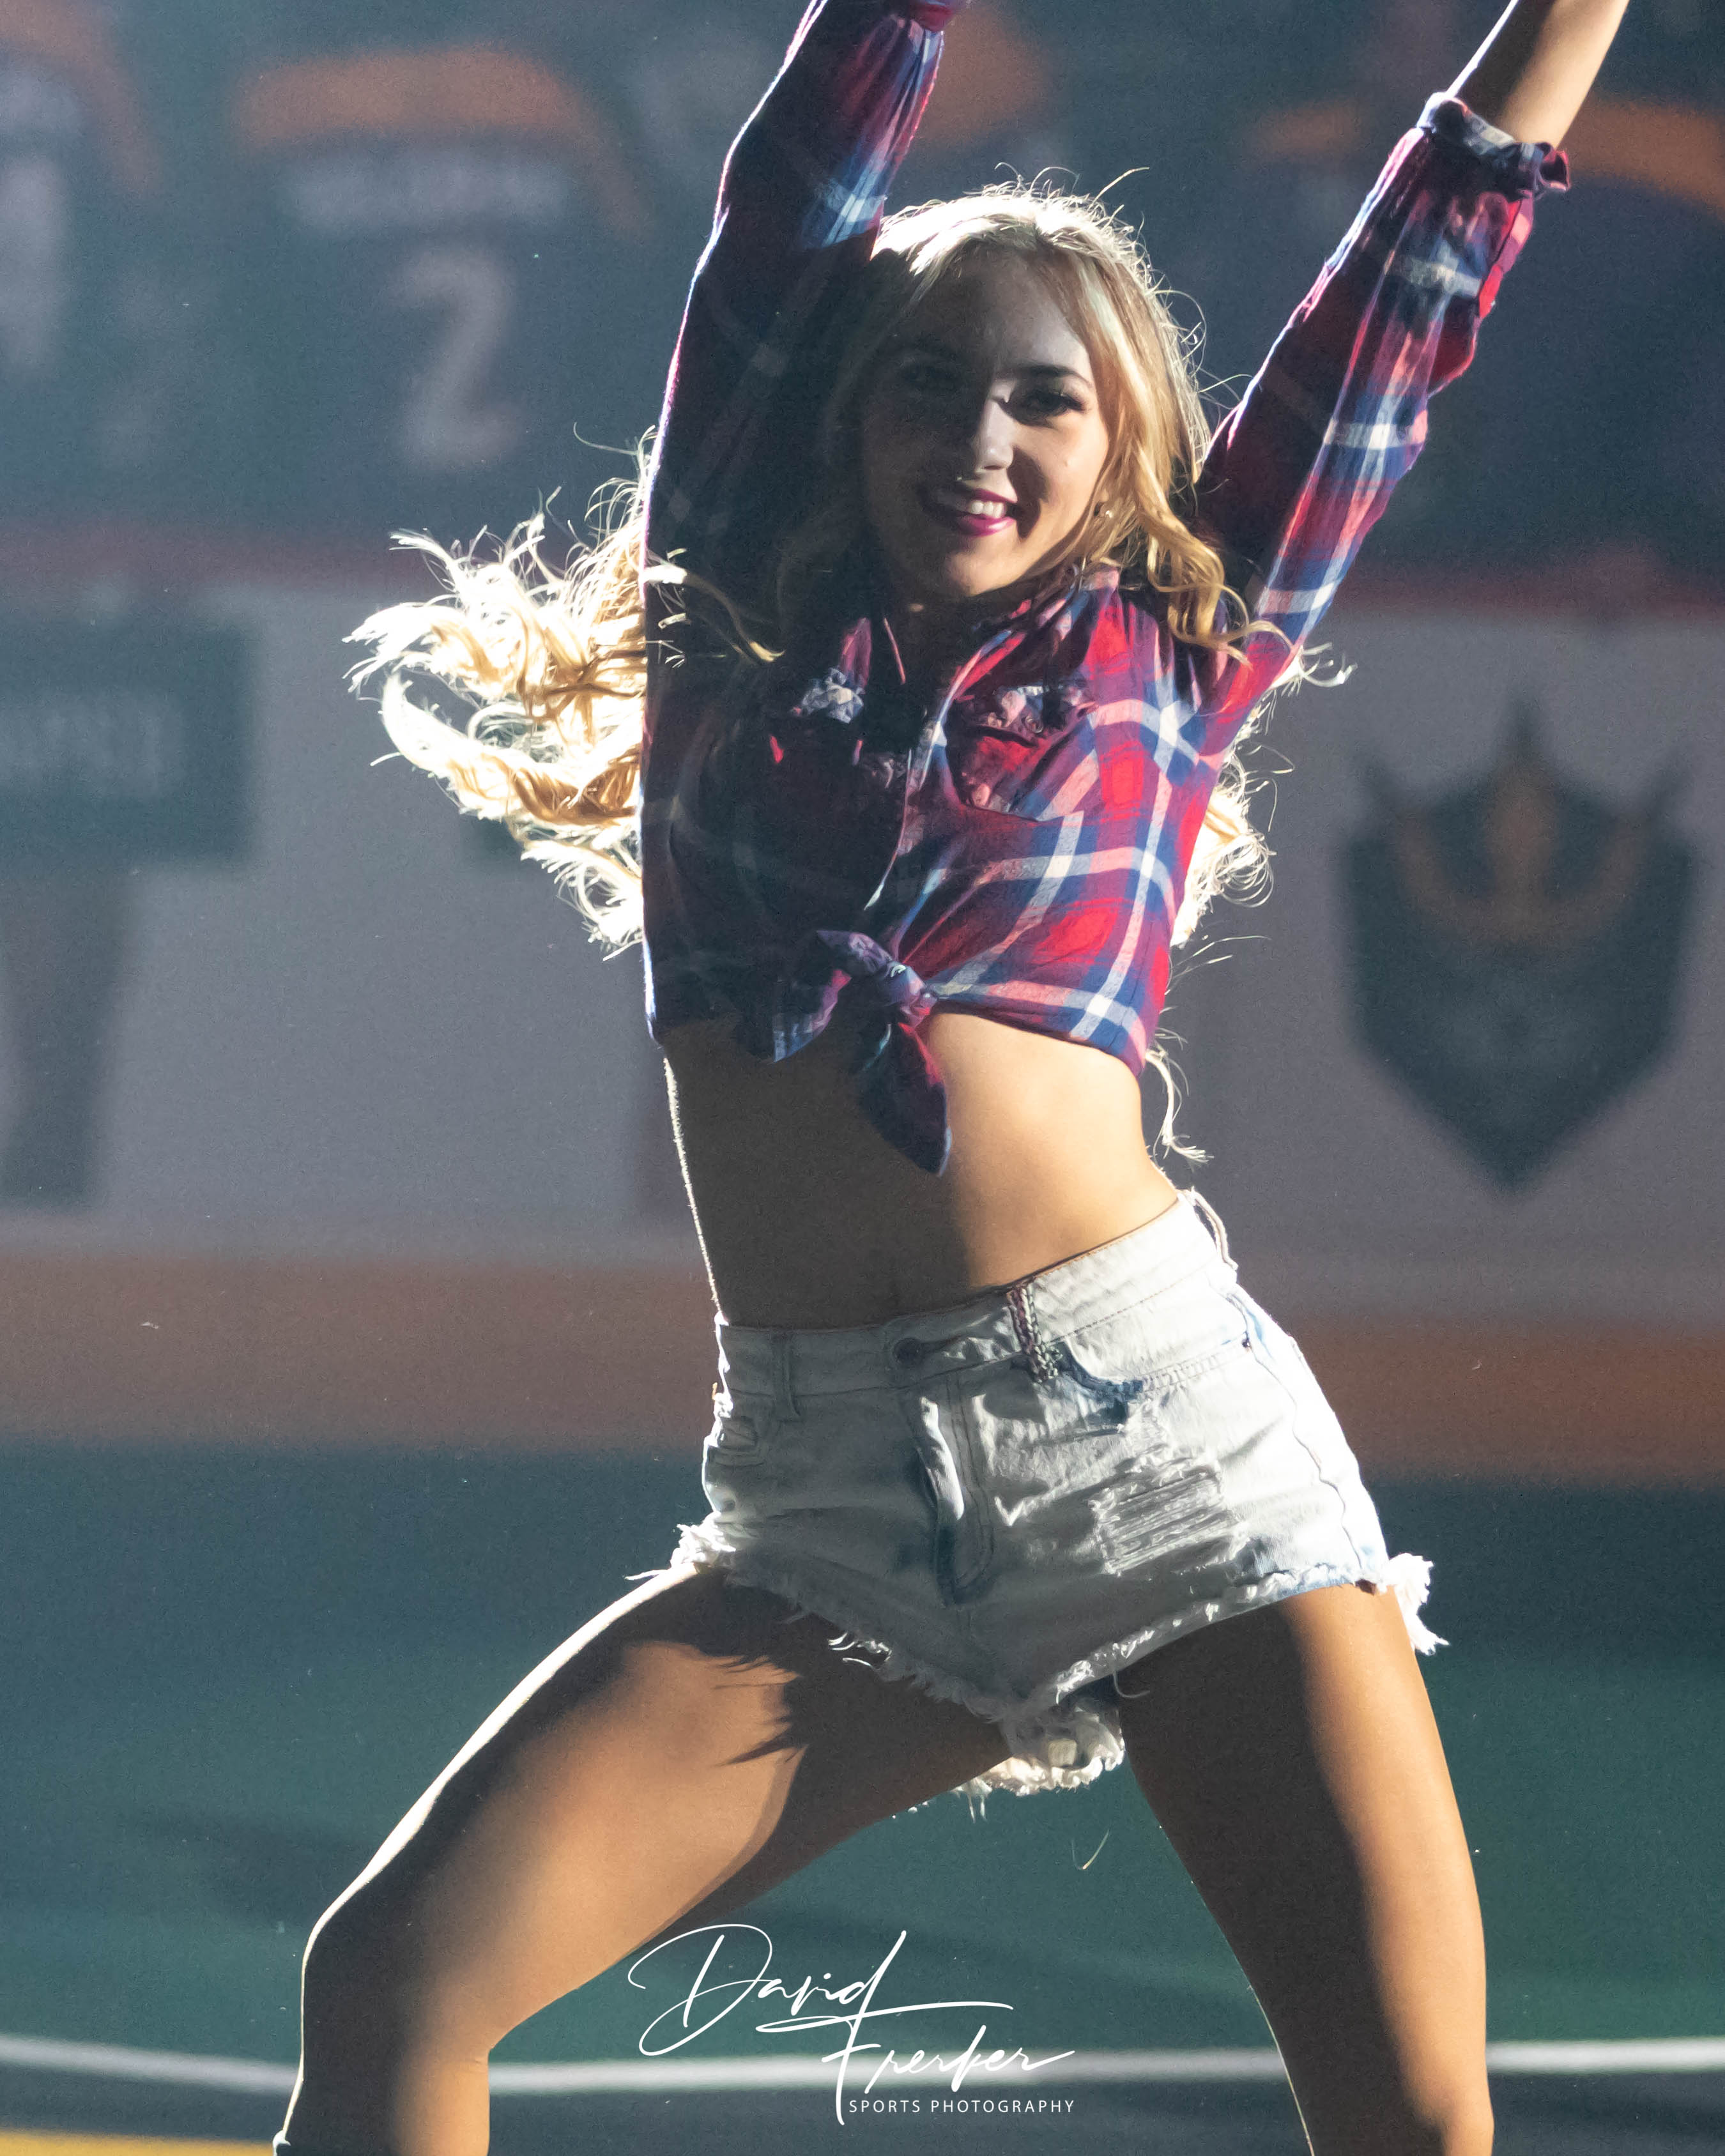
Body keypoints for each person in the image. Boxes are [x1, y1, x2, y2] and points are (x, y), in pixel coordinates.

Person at [275, 1, 1632, 2150]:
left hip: (1166, 1462)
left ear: (1120, 452)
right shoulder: (734, 601)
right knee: (391, 1982)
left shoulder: (1181, 638)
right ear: (842, 410)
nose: (979, 435)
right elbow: (794, 190)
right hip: (829, 1509)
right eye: (927, 379)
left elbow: (1422, 262)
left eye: (1043, 398)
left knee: (1407, 2122)